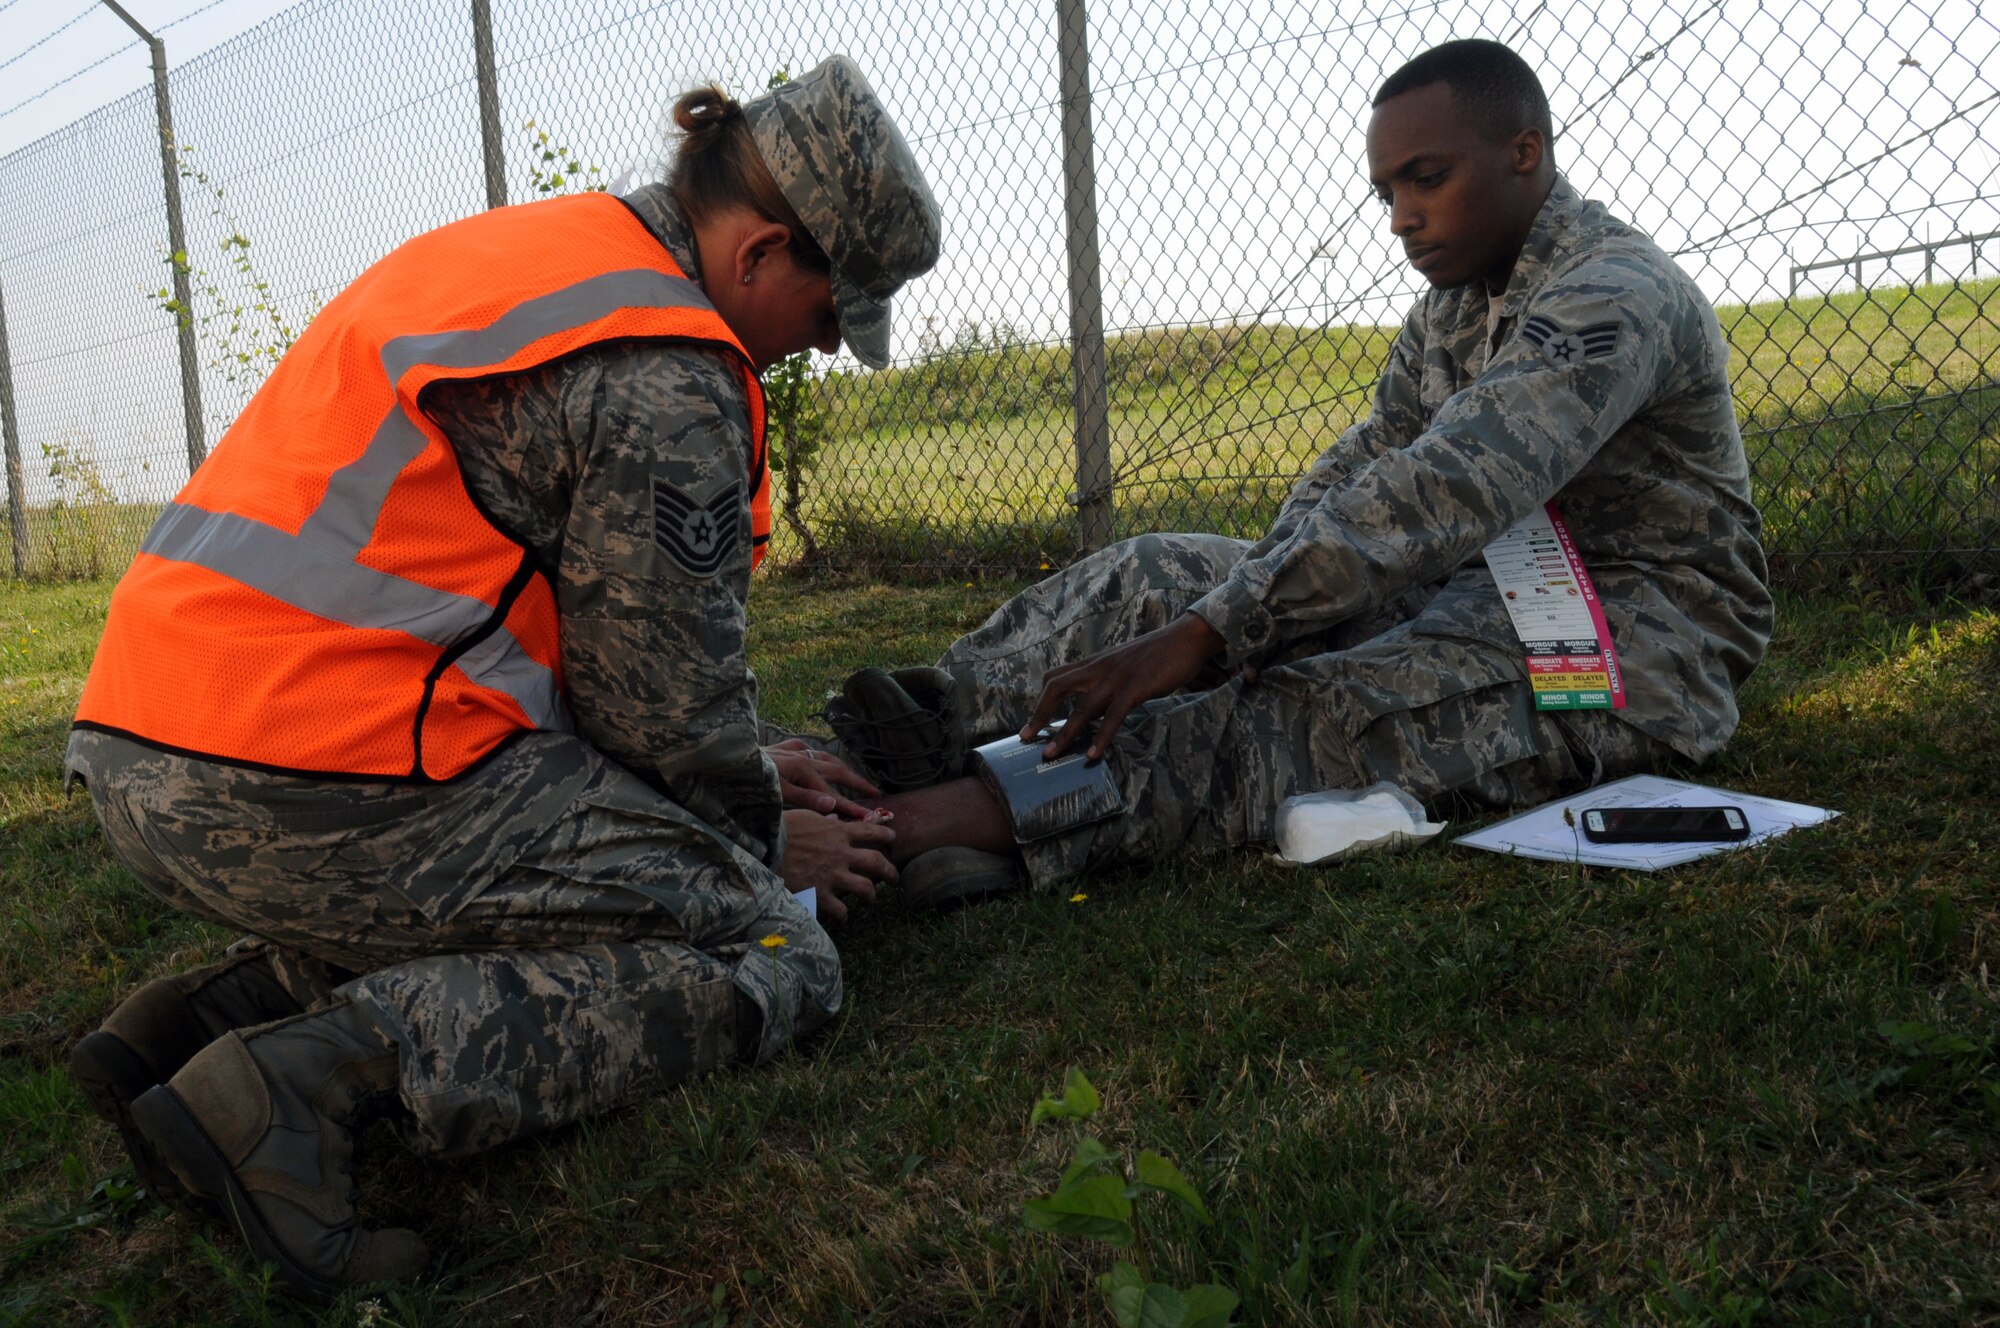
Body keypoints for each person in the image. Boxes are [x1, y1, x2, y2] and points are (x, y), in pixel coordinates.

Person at [62, 56, 937, 1299]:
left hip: (150, 747)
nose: (808, 349)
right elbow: (661, 721)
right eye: (821, 313)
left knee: (588, 846)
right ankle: (304, 1082)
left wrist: (739, 758)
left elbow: (552, 647)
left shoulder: (542, 253)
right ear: (760, 255)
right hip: (312, 784)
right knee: (767, 945)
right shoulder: (669, 368)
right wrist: (760, 830)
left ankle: (200, 1019)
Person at [830, 38, 1770, 907]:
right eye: (1388, 191)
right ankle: (907, 735)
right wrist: (1236, 603)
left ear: (1525, 152)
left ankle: (939, 822)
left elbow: (1447, 485)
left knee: (1317, 703)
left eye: (1427, 179)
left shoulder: (1613, 296)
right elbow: (1369, 456)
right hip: (1472, 593)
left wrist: (1217, 634)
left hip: (1632, 643)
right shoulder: (1453, 304)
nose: (1403, 217)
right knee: (1156, 570)